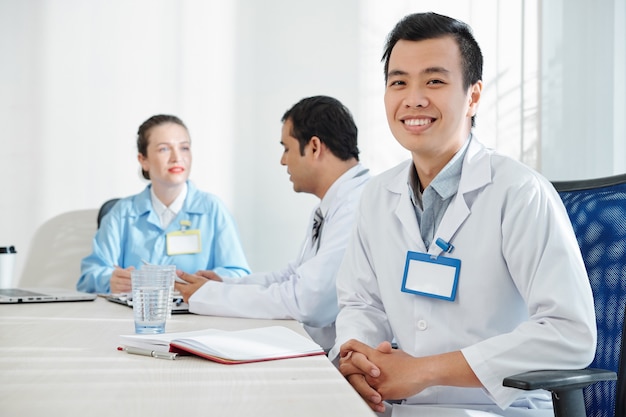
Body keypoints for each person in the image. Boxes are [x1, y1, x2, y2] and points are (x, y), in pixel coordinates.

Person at [331, 12, 596, 416]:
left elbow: (569, 333)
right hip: (402, 407)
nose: (413, 98)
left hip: (500, 409)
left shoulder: (519, 192)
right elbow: (360, 304)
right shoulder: (377, 197)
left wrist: (424, 372)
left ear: (473, 96)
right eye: (398, 81)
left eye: (434, 81)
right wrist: (359, 362)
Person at [175, 96, 370, 350]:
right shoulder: (332, 205)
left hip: (349, 364)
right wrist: (224, 284)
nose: (283, 160)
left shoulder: (358, 206)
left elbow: (308, 302)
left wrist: (211, 295)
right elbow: (292, 276)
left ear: (314, 147)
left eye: (286, 148)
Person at [77, 114, 250, 294]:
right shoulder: (122, 213)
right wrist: (109, 280)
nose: (177, 157)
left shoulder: (213, 209)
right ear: (143, 160)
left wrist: (211, 281)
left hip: (197, 316)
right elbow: (88, 278)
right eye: (164, 149)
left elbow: (239, 274)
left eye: (184, 148)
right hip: (134, 317)